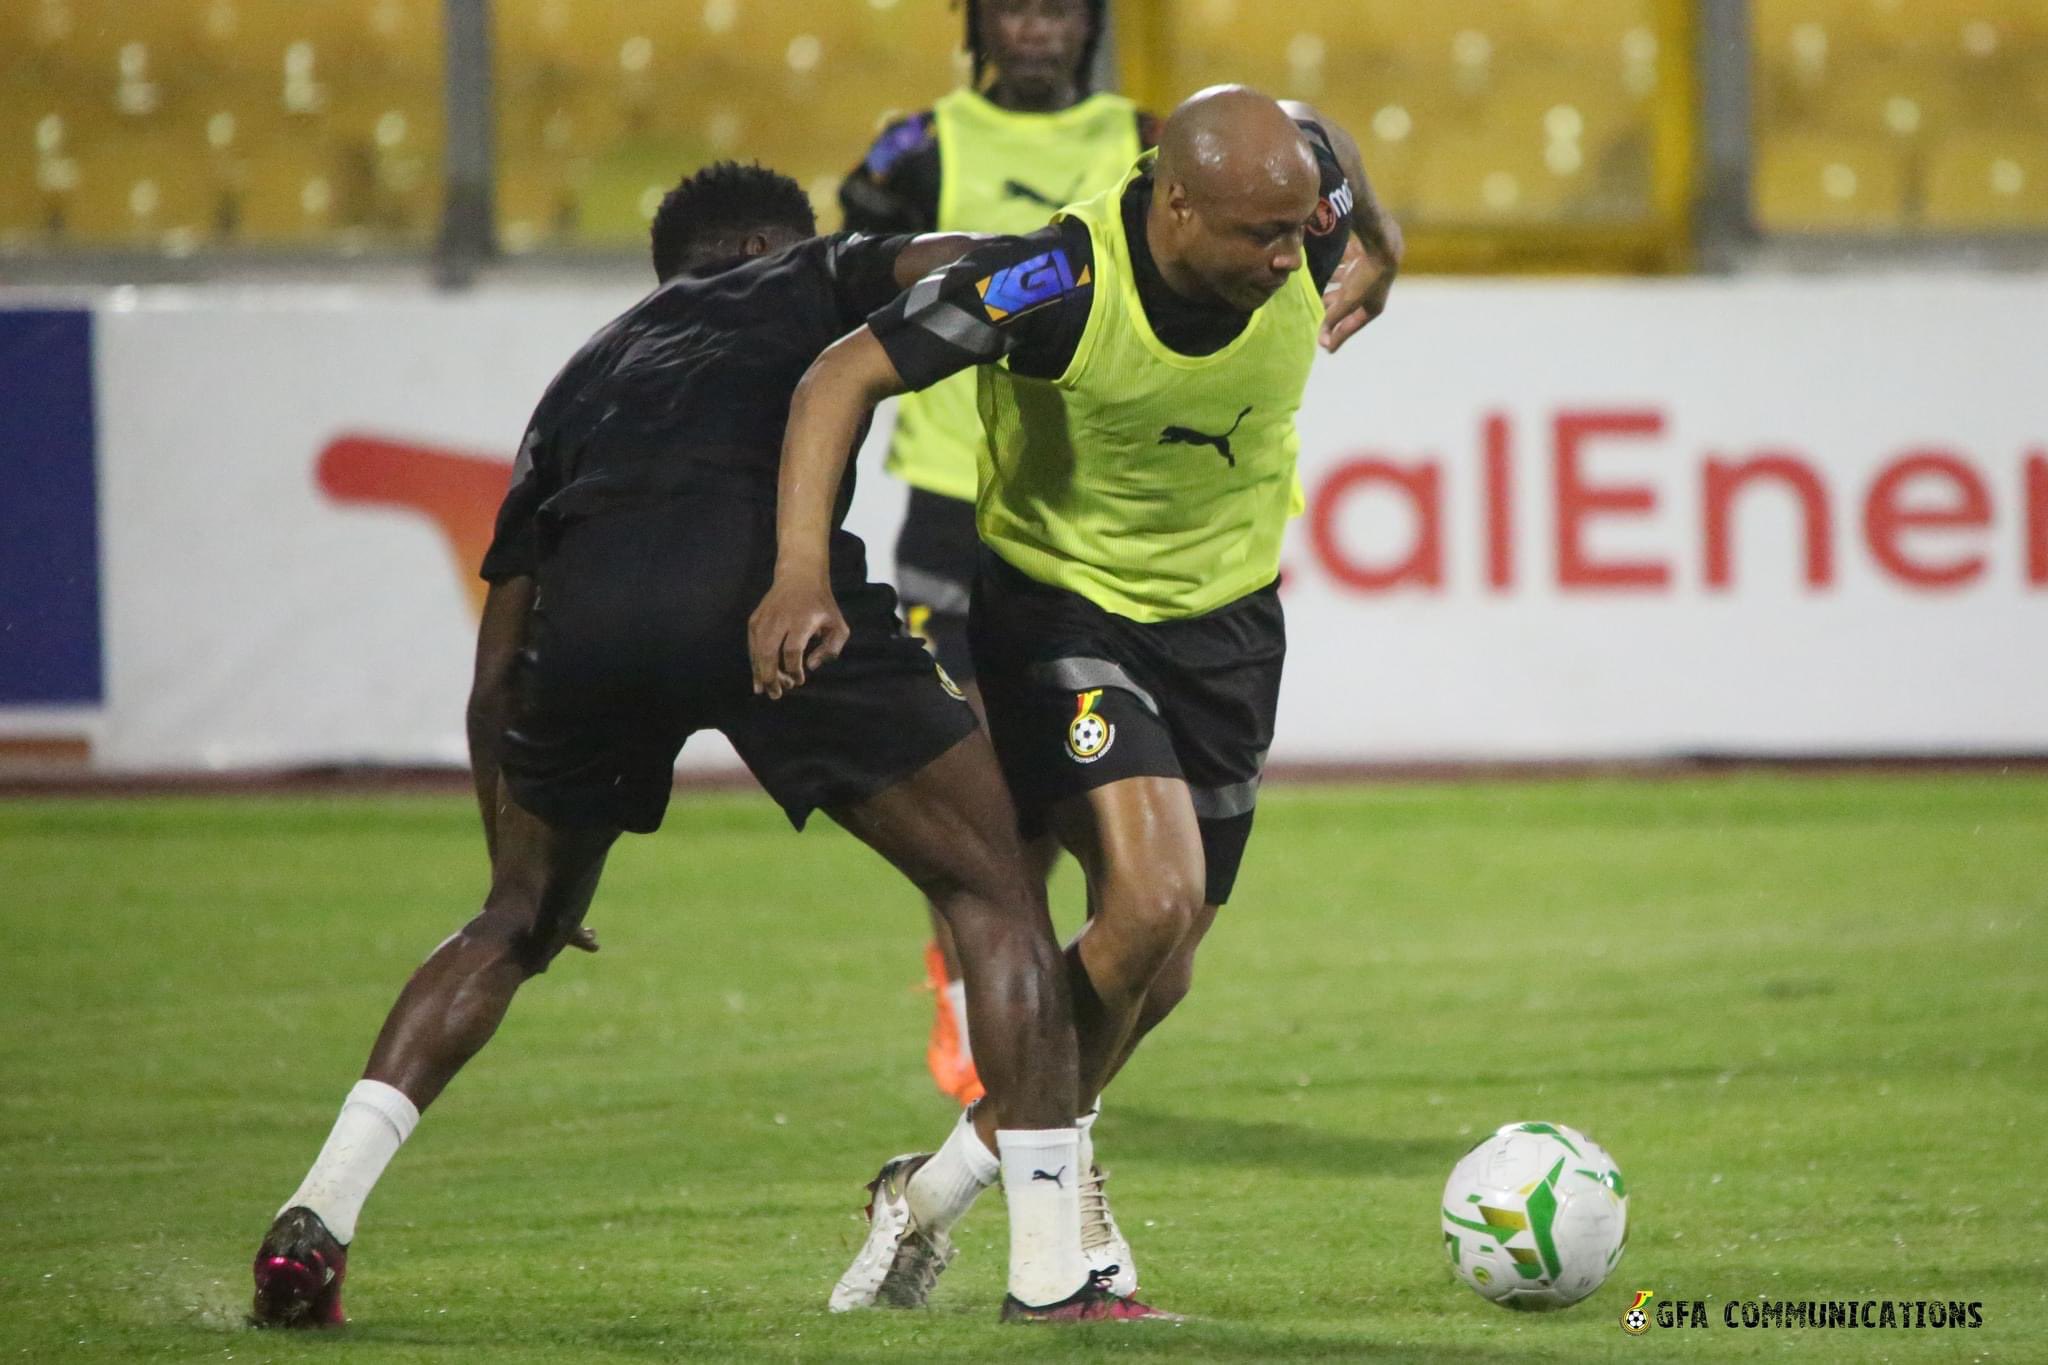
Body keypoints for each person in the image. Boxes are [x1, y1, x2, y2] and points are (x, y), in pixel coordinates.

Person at [248, 161, 1156, 1329]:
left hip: (589, 623)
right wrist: (1094, 262)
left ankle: (320, 1209)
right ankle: (1047, 1276)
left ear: (662, 271)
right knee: (993, 892)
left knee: (504, 933)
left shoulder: (583, 378)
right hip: (764, 594)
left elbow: (494, 671)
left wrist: (516, 870)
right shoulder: (809, 270)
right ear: (778, 240)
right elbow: (957, 262)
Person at [750, 86, 1400, 1307]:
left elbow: (1340, 166)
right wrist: (797, 569)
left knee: (1168, 958)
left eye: (1300, 231)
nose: (1287, 256)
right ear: (1175, 200)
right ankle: (1065, 1231)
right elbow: (839, 377)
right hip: (1064, 611)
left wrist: (1387, 252)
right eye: (1259, 236)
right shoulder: (1051, 285)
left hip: (1229, 624)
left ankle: (935, 1187)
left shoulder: (1303, 213)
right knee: (1152, 902)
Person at [840, 0, 1156, 1108]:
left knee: (1064, 777)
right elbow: (848, 280)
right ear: (978, 24)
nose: (1034, 30)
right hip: (946, 498)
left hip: (1080, 501)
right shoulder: (916, 150)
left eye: (1057, 9)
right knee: (968, 778)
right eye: (1013, 8)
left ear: (1089, 27)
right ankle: (964, 986)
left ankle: (1025, 979)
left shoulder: (1143, 141)